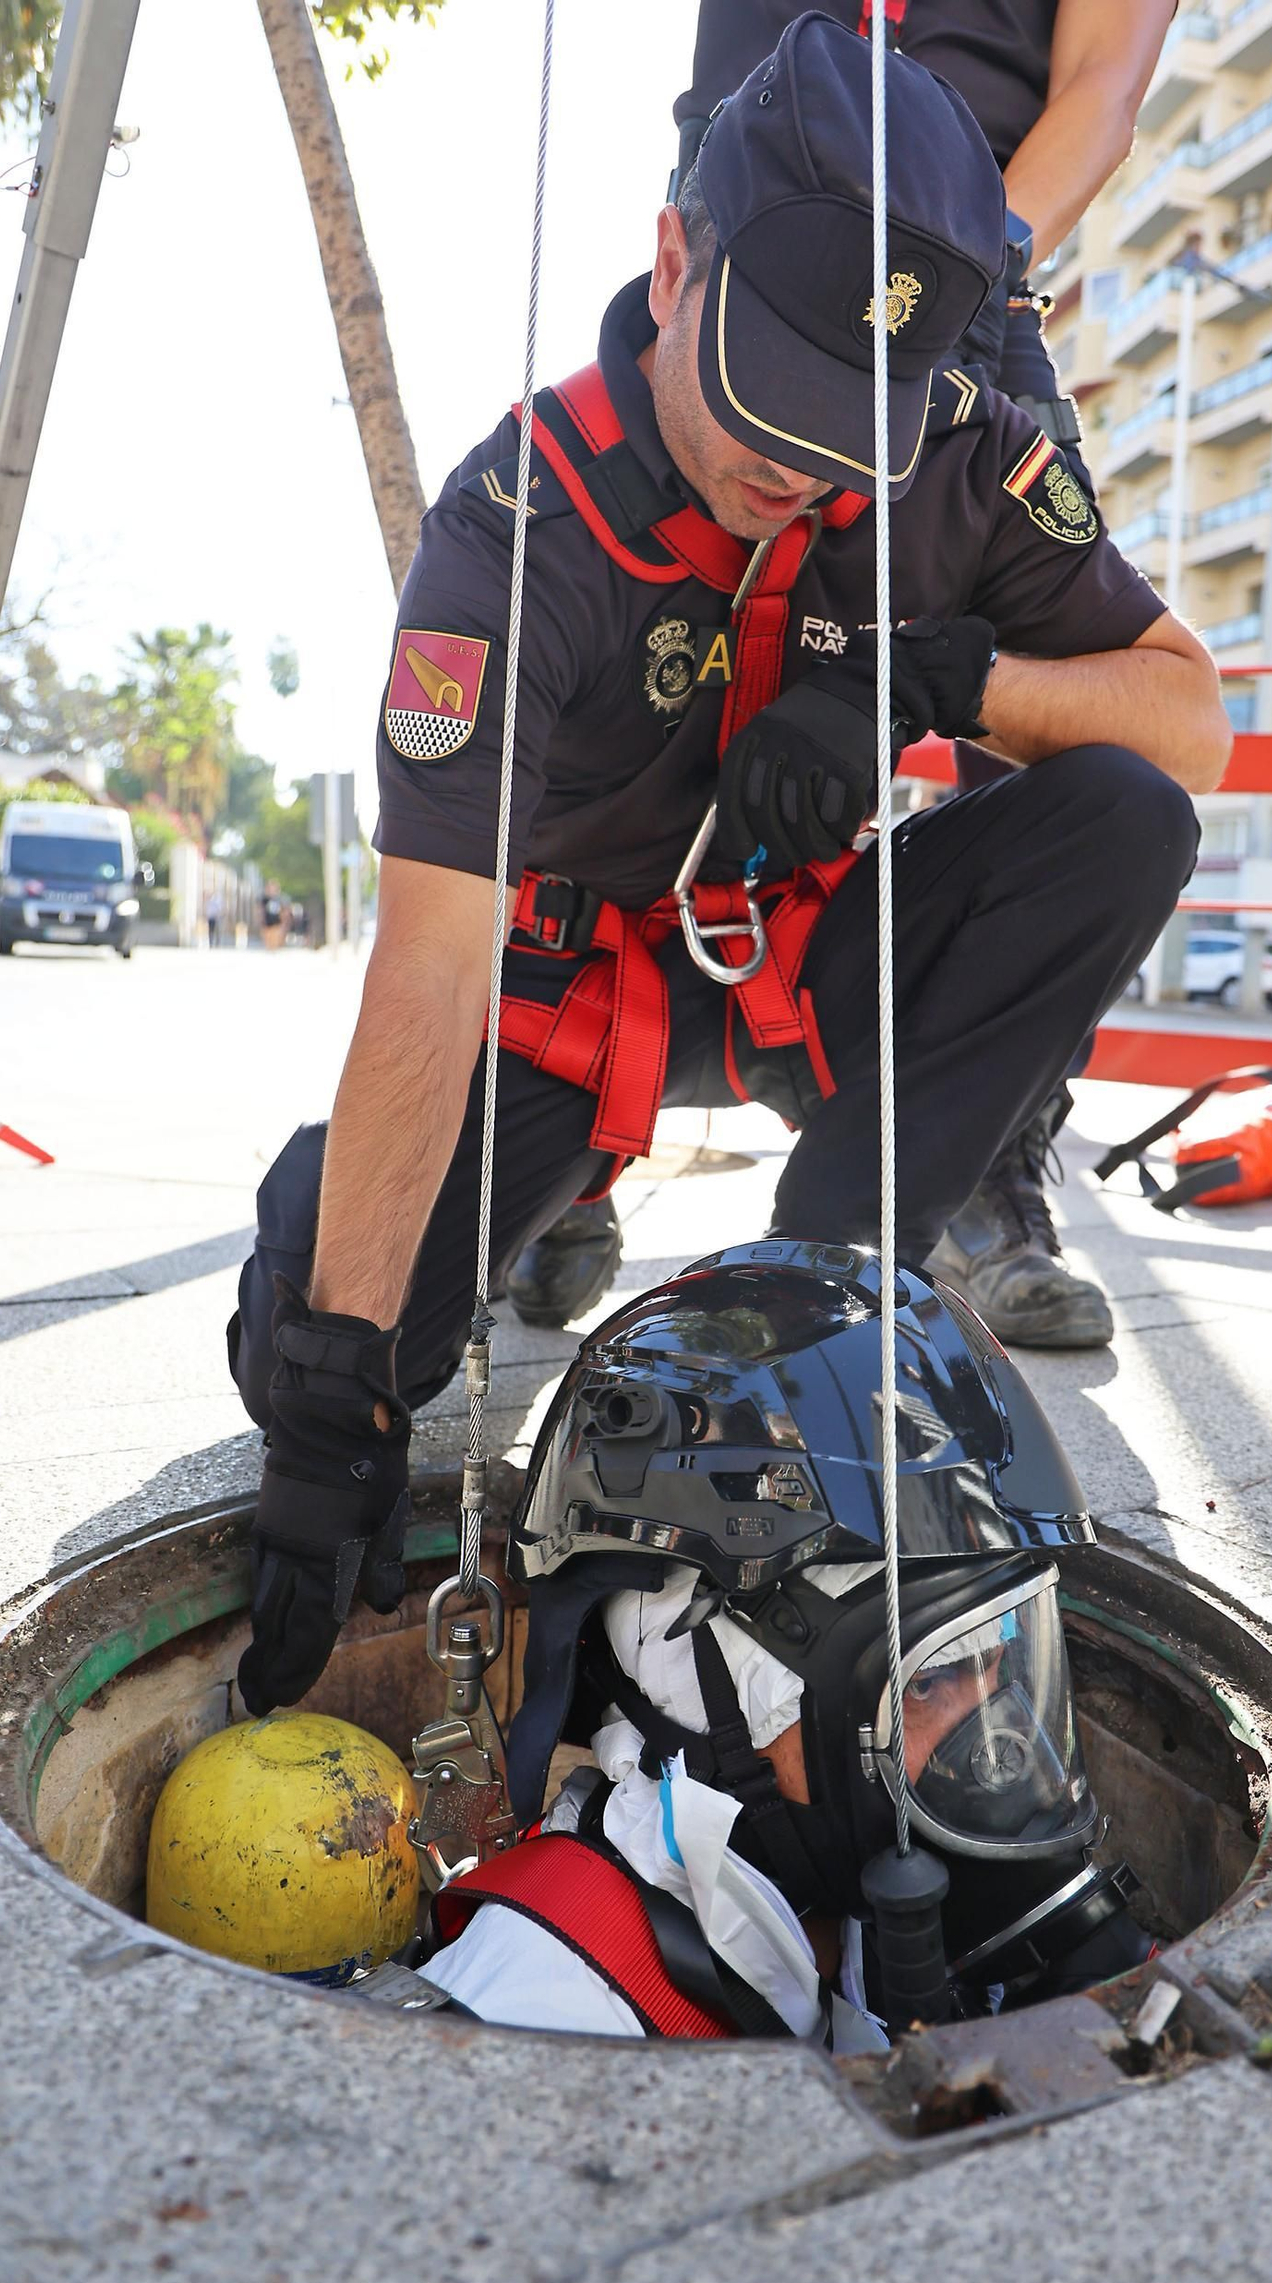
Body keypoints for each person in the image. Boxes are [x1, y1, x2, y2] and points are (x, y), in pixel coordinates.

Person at [228, 16, 1228, 1717]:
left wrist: (939, 681)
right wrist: (333, 1407)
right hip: (563, 990)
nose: (803, 460)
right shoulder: (515, 522)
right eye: (773, 386)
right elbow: (430, 964)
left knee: (1123, 816)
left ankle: (829, 1283)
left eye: (860, 417)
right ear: (675, 254)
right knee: (325, 1344)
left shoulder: (970, 439)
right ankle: (363, 1311)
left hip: (809, 951)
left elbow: (1185, 724)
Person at [506, 0, 1175, 1349]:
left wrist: (926, 676)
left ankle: (970, 1167)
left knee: (1074, 737)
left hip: (962, 265)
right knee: (631, 664)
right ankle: (565, 1108)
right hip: (754, 241)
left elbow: (1103, 86)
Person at [416, 1242, 1151, 2039]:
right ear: (707, 1693)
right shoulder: (543, 2012)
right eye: (931, 1682)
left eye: (1000, 1656)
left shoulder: (850, 1897)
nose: (997, 1738)